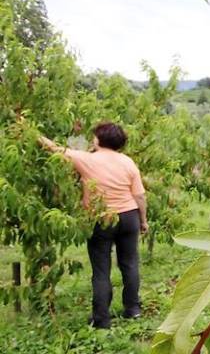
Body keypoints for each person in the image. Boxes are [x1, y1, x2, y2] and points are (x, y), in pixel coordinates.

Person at [39, 122, 148, 329]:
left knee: (101, 270)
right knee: (130, 263)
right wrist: (143, 220)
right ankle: (133, 309)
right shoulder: (128, 162)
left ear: (99, 139)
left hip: (101, 218)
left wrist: (32, 132)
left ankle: (101, 319)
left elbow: (54, 148)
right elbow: (140, 196)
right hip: (128, 216)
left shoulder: (86, 159)